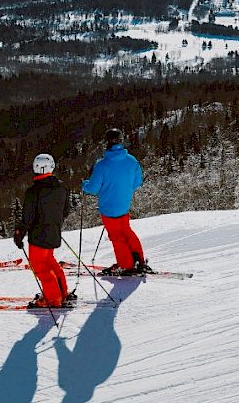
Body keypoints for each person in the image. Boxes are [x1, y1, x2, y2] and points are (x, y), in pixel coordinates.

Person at [82, 128, 150, 276]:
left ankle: (126, 265)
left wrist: (84, 184)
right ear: (121, 140)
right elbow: (137, 182)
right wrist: (123, 189)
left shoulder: (101, 165)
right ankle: (139, 260)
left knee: (117, 237)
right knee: (127, 232)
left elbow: (93, 189)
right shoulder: (131, 161)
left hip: (108, 208)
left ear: (107, 142)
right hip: (124, 205)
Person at [15, 153, 73, 309]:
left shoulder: (33, 192)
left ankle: (53, 298)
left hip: (38, 236)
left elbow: (28, 217)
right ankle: (62, 291)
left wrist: (19, 233)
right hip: (54, 232)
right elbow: (65, 211)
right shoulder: (62, 187)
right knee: (50, 262)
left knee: (40, 267)